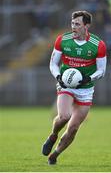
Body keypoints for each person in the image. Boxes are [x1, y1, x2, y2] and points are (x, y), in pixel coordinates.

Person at [42, 10, 107, 165]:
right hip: (66, 85)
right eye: (72, 23)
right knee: (64, 116)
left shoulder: (98, 45)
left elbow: (102, 70)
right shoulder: (62, 40)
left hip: (86, 89)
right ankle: (53, 135)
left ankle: (55, 155)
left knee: (73, 129)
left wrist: (88, 78)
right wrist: (59, 76)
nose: (73, 27)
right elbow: (53, 63)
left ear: (87, 26)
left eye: (77, 24)